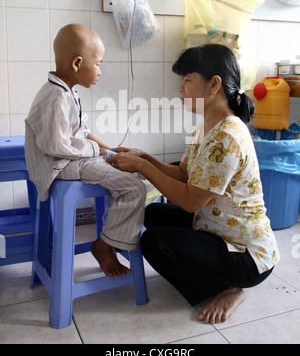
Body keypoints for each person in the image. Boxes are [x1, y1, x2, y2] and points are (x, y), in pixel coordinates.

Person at [107, 44, 280, 324]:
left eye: (187, 80)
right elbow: (184, 174)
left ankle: (229, 289)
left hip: (247, 256)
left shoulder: (228, 136)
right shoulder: (205, 126)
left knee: (154, 242)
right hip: (216, 229)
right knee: (152, 214)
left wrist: (142, 167)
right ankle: (217, 277)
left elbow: (189, 200)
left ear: (214, 84)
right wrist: (145, 157)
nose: (181, 88)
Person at [25, 23, 146, 278]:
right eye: (99, 63)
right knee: (134, 186)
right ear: (77, 63)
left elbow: (80, 132)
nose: (100, 71)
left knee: (125, 171)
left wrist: (106, 149)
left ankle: (111, 236)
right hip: (60, 164)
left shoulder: (66, 92)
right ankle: (103, 246)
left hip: (70, 159)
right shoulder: (56, 97)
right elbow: (55, 145)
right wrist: (97, 151)